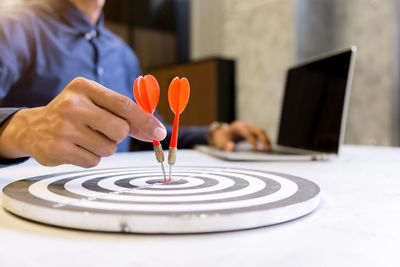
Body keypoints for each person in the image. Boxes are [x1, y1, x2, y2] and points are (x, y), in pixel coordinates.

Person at [0, 0, 271, 168]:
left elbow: (149, 134)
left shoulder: (123, 53)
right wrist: (21, 129)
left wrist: (212, 134)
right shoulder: (12, 26)